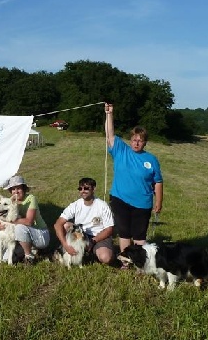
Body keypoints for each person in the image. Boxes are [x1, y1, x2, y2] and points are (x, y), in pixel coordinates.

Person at [104, 103, 163, 257]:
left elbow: (158, 181)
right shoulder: (121, 150)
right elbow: (110, 135)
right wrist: (110, 114)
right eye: (134, 140)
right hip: (120, 198)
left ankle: (140, 261)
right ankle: (125, 259)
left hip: (142, 202)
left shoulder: (151, 159)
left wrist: (159, 201)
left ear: (145, 142)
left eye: (140, 140)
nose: (137, 143)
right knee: (124, 232)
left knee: (139, 235)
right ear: (130, 140)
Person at [53, 177, 115, 265]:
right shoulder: (75, 205)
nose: (83, 191)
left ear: (93, 189)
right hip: (80, 235)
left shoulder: (103, 206)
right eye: (80, 188)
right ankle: (68, 251)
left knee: (106, 258)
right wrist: (66, 245)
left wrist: (93, 241)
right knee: (65, 225)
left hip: (98, 236)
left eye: (86, 188)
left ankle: (93, 252)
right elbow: (57, 224)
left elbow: (109, 229)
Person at [0, 175, 50, 264]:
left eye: (18, 188)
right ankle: (31, 249)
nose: (16, 191)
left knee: (19, 227)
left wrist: (9, 220)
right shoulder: (10, 202)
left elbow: (29, 221)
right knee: (5, 259)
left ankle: (29, 257)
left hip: (39, 233)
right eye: (13, 189)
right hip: (24, 235)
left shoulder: (31, 199)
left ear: (24, 188)